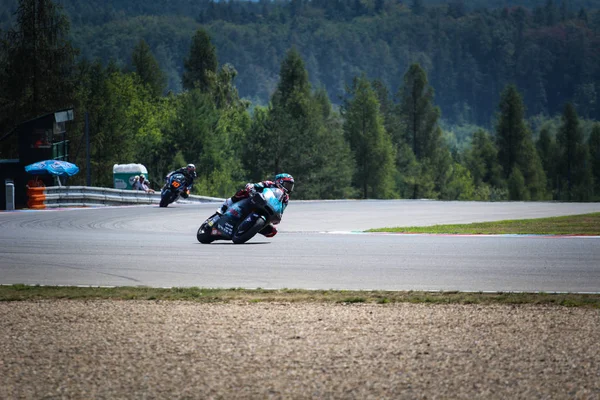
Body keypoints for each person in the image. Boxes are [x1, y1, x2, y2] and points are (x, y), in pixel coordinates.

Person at [216, 173, 294, 238]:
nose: (289, 188)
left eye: (290, 186)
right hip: (255, 200)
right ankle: (223, 207)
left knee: (272, 232)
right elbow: (257, 185)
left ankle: (250, 228)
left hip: (268, 209)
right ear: (279, 181)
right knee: (242, 193)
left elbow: (281, 208)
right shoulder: (269, 184)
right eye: (287, 185)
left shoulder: (286, 197)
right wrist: (251, 187)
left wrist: (278, 216)